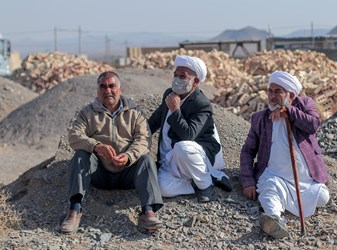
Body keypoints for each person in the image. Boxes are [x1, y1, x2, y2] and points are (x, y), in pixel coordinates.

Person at [61, 71, 163, 234]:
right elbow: (74, 136)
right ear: (98, 90)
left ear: (120, 89)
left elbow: (144, 140)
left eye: (112, 86)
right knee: (80, 155)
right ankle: (75, 210)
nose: (107, 90)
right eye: (103, 86)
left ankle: (148, 211)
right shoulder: (88, 113)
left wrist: (129, 156)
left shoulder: (135, 112)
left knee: (146, 160)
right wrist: (96, 146)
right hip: (99, 174)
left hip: (128, 174)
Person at [240, 71, 330, 239]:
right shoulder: (260, 118)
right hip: (274, 176)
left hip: (304, 179)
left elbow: (314, 125)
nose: (272, 96)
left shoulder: (304, 104)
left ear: (291, 95)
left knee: (323, 197)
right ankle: (274, 220)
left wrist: (289, 111)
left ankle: (287, 205)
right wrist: (248, 181)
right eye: (270, 91)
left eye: (277, 91)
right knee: (269, 192)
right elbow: (247, 150)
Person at [148, 55, 232, 203]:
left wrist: (175, 110)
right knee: (161, 189)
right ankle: (195, 184)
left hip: (196, 157)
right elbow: (154, 121)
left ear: (195, 82)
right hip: (171, 160)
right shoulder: (169, 94)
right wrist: (139, 134)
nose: (176, 79)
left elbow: (188, 135)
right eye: (175, 75)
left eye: (183, 77)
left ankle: (206, 185)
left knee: (183, 147)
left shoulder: (202, 104)